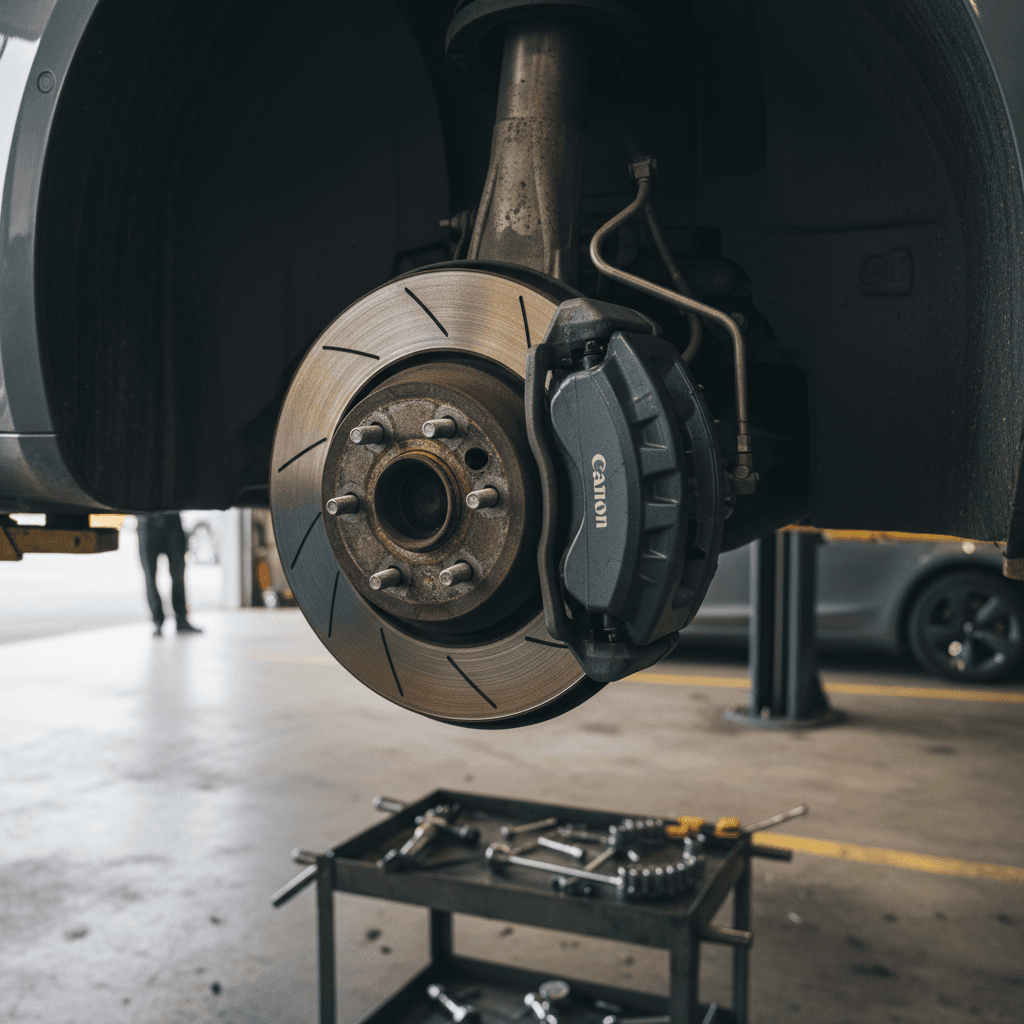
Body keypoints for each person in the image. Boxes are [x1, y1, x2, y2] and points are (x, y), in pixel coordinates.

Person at [136, 513, 202, 636]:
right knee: (150, 577)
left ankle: (181, 619)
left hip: (171, 520)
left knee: (178, 575)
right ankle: (158, 622)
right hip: (147, 522)